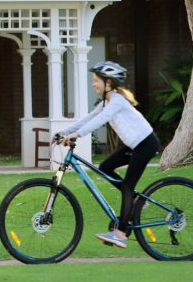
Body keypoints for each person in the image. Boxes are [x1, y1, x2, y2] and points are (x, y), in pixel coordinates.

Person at [52, 61, 159, 249]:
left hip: (145, 144)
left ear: (108, 82)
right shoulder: (106, 102)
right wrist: (63, 131)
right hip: (134, 145)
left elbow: (101, 120)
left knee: (127, 186)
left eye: (96, 80)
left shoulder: (116, 101)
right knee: (105, 167)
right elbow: (88, 118)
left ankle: (121, 233)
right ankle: (135, 200)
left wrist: (76, 135)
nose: (94, 84)